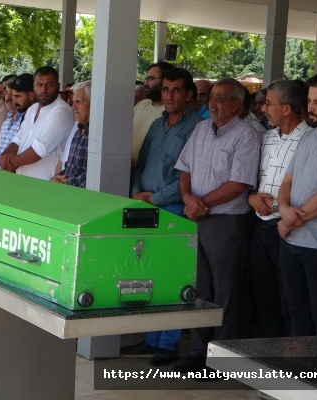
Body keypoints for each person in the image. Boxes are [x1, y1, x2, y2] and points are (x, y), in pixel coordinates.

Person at [172, 77, 261, 373]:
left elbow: (238, 184)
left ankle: (223, 358)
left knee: (226, 291)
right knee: (200, 288)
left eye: (221, 98)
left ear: (236, 105)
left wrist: (200, 203)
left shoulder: (246, 135)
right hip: (196, 216)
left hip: (226, 222)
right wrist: (187, 197)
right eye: (212, 97)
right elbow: (184, 168)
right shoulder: (200, 129)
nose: (212, 102)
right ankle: (198, 351)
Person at [124, 69, 202, 366]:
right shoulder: (157, 125)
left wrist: (154, 198)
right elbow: (141, 163)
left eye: (176, 90)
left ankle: (168, 344)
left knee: (170, 275)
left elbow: (187, 175)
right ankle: (151, 338)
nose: (169, 95)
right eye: (166, 89)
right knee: (146, 274)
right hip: (143, 205)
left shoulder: (198, 128)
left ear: (189, 95)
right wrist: (136, 193)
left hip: (172, 209)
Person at [245, 80, 311, 339]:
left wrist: (277, 207)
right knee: (264, 297)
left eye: (269, 104)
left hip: (290, 229)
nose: (263, 109)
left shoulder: (310, 139)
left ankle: (292, 363)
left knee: (291, 300)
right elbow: (254, 180)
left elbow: (311, 189)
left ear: (286, 108)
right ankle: (269, 359)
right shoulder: (267, 137)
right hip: (260, 226)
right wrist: (251, 198)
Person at [278, 72, 317, 337]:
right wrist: (283, 209)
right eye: (309, 100)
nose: (310, 108)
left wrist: (292, 218)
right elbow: (287, 180)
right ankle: (300, 373)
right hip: (291, 240)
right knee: (296, 314)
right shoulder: (307, 136)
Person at [0, 66, 74, 180]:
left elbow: (40, 149)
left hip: (45, 183)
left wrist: (10, 163)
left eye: (49, 85)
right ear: (34, 86)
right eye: (39, 85)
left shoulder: (61, 110)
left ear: (58, 86)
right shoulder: (32, 109)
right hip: (23, 180)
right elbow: (18, 139)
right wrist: (2, 157)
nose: (44, 89)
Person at [51, 80, 92, 187]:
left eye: (78, 102)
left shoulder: (99, 136)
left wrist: (69, 181)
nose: (73, 107)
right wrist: (57, 177)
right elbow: (69, 167)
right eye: (73, 102)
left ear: (93, 103)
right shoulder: (78, 133)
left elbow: (97, 173)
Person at [132, 62, 174, 166]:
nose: (146, 83)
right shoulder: (141, 104)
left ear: (165, 80)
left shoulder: (171, 112)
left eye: (151, 79)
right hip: (127, 173)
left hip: (149, 175)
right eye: (146, 79)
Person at [0, 74, 32, 168]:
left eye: (14, 94)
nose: (10, 97)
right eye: (6, 92)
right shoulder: (6, 121)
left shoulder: (27, 118)